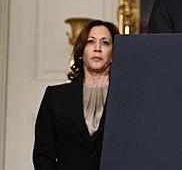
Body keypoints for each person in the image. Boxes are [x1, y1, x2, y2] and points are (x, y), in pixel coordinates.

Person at [33, 20, 120, 170]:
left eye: (105, 43)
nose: (97, 48)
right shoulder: (55, 97)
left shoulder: (125, 99)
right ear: (81, 50)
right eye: (91, 42)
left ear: (114, 52)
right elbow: (43, 155)